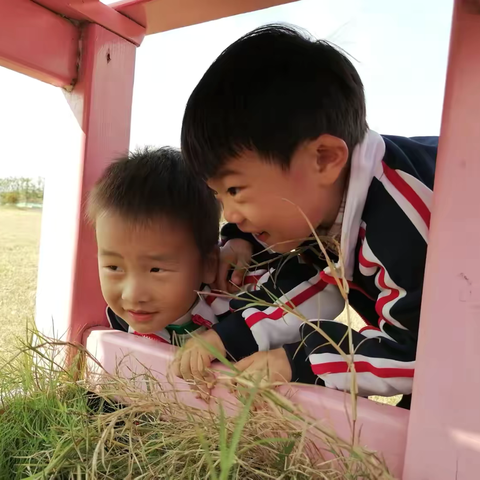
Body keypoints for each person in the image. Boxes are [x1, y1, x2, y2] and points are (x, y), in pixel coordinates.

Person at [174, 24, 437, 407]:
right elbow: (310, 280)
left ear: (324, 159)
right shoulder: (320, 205)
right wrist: (241, 241)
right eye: (219, 196)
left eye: (235, 190)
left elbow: (429, 354)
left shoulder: (407, 227)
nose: (230, 214)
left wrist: (303, 360)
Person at [87, 146, 229, 346]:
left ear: (208, 266)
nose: (132, 295)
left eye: (156, 269)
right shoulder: (116, 321)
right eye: (114, 267)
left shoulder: (234, 323)